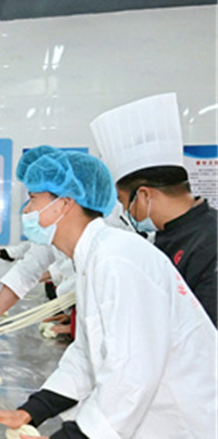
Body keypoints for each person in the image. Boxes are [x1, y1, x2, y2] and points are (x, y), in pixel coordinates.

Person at [0, 146, 217, 439]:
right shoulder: (96, 257)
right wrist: (33, 411)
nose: (27, 210)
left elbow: (133, 372)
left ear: (64, 204)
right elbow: (88, 354)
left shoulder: (118, 260)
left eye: (34, 199)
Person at [91, 92, 217, 325]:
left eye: (123, 201)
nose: (125, 211)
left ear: (144, 195)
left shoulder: (210, 242)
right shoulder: (167, 235)